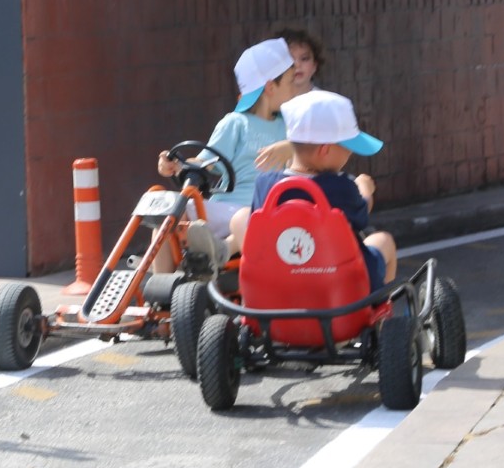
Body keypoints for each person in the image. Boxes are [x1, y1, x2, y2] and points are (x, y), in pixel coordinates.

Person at [157, 38, 301, 263]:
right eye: (292, 82)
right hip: (226, 208)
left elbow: (313, 155)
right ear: (271, 87)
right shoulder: (235, 123)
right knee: (167, 209)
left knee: (250, 219)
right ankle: (163, 285)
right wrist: (177, 166)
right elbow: (206, 162)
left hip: (266, 213)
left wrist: (291, 147)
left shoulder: (289, 126)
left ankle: (220, 250)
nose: (296, 89)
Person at [248, 89, 397, 292]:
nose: (350, 152)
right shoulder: (341, 187)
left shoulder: (264, 184)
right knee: (384, 240)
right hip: (338, 292)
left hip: (279, 289)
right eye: (347, 147)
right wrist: (365, 189)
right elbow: (362, 214)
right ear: (325, 150)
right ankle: (378, 312)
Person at [265, 25, 326, 98]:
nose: (297, 65)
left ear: (315, 65)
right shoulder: (269, 104)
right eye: (289, 59)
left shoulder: (324, 103)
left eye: (304, 59)